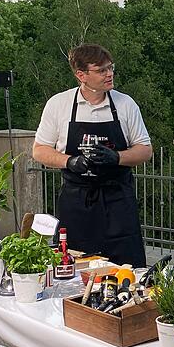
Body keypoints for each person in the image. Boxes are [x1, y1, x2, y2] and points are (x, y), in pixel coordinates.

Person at [33, 44, 152, 267]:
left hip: (118, 202)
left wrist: (117, 157)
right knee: (75, 266)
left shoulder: (126, 104)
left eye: (111, 68)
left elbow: (145, 150)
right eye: (101, 70)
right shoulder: (59, 105)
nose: (110, 74)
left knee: (126, 269)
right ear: (81, 75)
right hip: (76, 202)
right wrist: (69, 161)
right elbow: (39, 150)